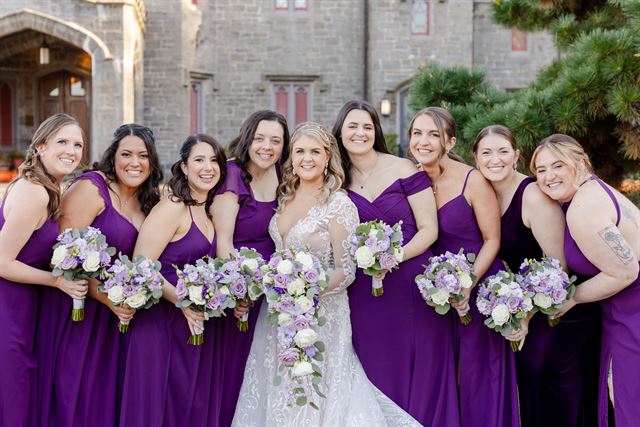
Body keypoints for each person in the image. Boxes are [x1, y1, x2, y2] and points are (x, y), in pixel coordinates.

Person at [232, 122, 420, 427]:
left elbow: (346, 271)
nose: (307, 158)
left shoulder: (338, 204)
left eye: (315, 152)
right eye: (299, 151)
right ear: (291, 157)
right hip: (279, 312)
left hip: (322, 315)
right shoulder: (284, 196)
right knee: (280, 383)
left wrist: (306, 293)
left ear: (327, 156)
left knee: (316, 386)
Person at [331, 100, 458, 425]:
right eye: (352, 126)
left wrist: (394, 257)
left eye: (367, 126)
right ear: (340, 132)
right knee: (377, 366)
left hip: (412, 282)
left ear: (376, 131)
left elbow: (429, 229)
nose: (360, 133)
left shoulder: (405, 169)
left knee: (421, 364)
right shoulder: (336, 180)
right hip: (366, 293)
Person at [474, 125, 600, 427]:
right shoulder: (484, 192)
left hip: (563, 303)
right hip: (528, 301)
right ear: (475, 158)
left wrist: (525, 317)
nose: (495, 159)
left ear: (516, 155)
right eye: (486, 152)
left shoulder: (531, 195)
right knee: (527, 376)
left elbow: (559, 268)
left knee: (543, 372)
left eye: (503, 151)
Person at [36, 124, 162, 426]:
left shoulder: (148, 201)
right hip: (76, 310)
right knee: (72, 396)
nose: (135, 163)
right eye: (126, 154)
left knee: (102, 402)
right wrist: (105, 297)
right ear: (113, 156)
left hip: (114, 319)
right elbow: (62, 254)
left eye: (143, 156)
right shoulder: (92, 188)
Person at [409, 107, 518, 427]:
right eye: (417, 133)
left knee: (476, 377)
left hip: (478, 287)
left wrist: (468, 284)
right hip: (435, 293)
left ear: (450, 142)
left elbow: (492, 240)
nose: (424, 141)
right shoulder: (410, 177)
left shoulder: (473, 180)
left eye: (434, 134)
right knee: (439, 378)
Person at [531, 134, 640, 427]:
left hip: (633, 311)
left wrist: (573, 297)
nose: (549, 176)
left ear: (580, 162)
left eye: (558, 166)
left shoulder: (583, 209)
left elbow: (627, 272)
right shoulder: (591, 190)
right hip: (623, 310)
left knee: (630, 401)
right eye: (541, 170)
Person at [120, 134, 226, 426]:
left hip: (191, 326)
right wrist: (181, 301)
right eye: (199, 160)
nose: (208, 168)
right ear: (184, 167)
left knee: (185, 407)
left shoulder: (207, 210)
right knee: (158, 408)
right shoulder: (173, 206)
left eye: (214, 161)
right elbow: (142, 264)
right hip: (161, 325)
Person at [0, 113, 87, 426]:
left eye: (77, 144)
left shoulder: (50, 189)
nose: (71, 151)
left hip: (24, 306)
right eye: (62, 142)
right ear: (40, 146)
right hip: (8, 308)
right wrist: (57, 281)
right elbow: (2, 261)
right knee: (13, 395)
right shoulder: (34, 192)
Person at [211, 110, 289, 426]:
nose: (267, 147)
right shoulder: (232, 174)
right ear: (247, 139)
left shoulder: (284, 173)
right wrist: (240, 288)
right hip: (240, 291)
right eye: (259, 138)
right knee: (237, 369)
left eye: (275, 140)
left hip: (275, 290)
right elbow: (223, 241)